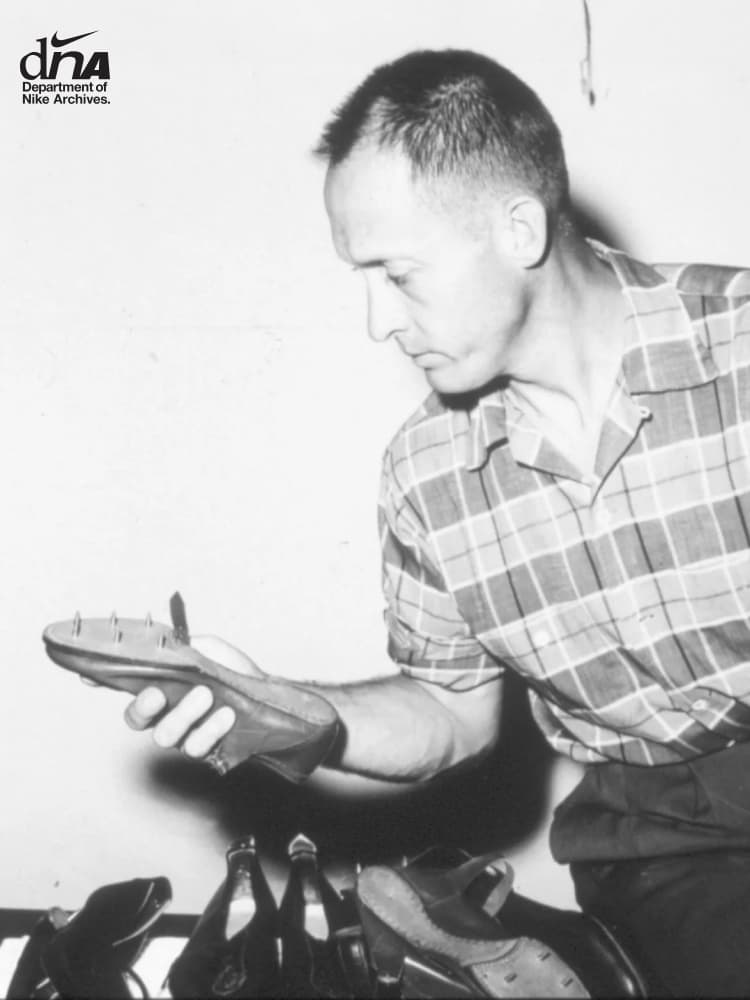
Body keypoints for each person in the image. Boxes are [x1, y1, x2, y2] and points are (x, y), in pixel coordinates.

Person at [125, 50, 750, 996]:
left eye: (397, 274)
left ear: (519, 229)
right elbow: (452, 715)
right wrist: (284, 710)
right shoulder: (426, 473)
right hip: (660, 852)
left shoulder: (737, 351)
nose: (378, 321)